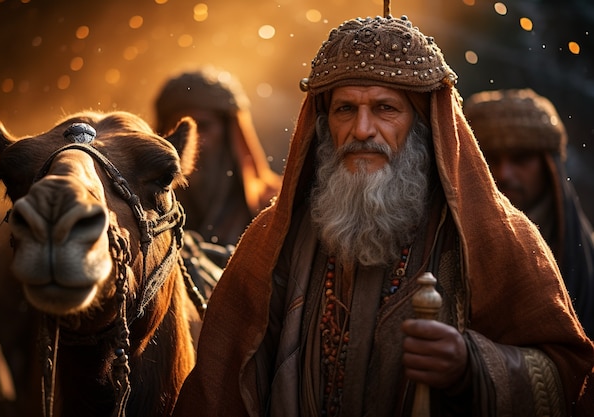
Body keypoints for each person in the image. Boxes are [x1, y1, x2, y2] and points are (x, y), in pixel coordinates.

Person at [174, 13, 594, 417]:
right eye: (344, 110)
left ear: (422, 124)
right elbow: (218, 385)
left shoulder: (496, 235)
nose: (361, 129)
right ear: (324, 124)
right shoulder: (273, 238)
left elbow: (565, 372)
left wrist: (473, 365)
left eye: (385, 108)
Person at [464, 88, 594, 336]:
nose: (504, 174)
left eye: (521, 159)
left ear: (549, 167)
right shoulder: (450, 240)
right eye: (490, 159)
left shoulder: (585, 259)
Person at [154, 66, 282, 252]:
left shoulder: (273, 207)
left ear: (230, 132)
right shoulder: (146, 209)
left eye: (203, 127)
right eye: (180, 129)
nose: (192, 141)